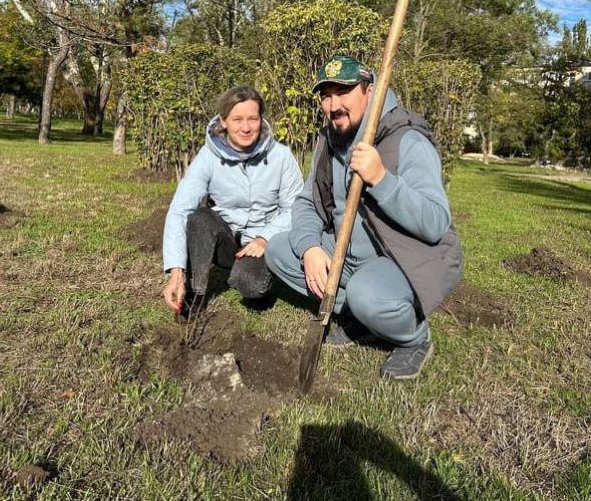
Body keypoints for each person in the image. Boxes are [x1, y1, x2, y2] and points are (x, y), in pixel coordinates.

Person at [266, 55, 463, 380]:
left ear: (370, 92)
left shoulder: (406, 140)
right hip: (347, 254)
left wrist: (382, 179)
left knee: (366, 295)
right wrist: (310, 248)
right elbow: (305, 204)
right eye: (326, 96)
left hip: (401, 257)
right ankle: (359, 319)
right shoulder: (329, 141)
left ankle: (414, 338)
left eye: (343, 92)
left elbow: (435, 222)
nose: (333, 105)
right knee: (278, 251)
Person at [162, 86, 303, 313]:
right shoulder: (208, 158)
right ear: (224, 121)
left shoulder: (281, 157)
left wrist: (265, 238)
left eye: (252, 119)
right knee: (199, 218)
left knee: (250, 284)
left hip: (261, 242)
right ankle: (195, 291)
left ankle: (260, 281)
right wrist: (176, 271)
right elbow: (180, 210)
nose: (246, 127)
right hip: (226, 239)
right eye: (237, 119)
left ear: (261, 120)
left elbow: (295, 208)